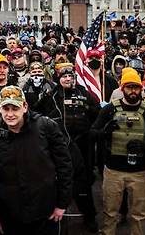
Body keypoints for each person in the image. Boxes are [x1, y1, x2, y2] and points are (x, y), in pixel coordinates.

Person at [0, 86, 72, 235]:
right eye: (6, 109)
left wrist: (62, 204)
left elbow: (65, 167)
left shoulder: (46, 127)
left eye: (15, 108)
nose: (10, 114)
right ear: (0, 109)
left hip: (45, 212)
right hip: (11, 215)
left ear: (24, 107)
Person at [35, 63, 100, 232]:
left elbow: (97, 113)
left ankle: (89, 216)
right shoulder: (51, 95)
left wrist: (92, 130)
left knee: (83, 183)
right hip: (59, 146)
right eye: (64, 76)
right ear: (58, 78)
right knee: (60, 179)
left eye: (70, 76)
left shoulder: (83, 93)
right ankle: (56, 213)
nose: (67, 79)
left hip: (82, 144)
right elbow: (36, 112)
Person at [93, 68, 145, 235]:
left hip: (139, 171)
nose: (133, 91)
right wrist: (105, 132)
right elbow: (92, 134)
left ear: (141, 89)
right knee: (110, 212)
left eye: (136, 87)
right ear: (122, 88)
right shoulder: (109, 110)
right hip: (113, 170)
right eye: (129, 87)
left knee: (139, 215)